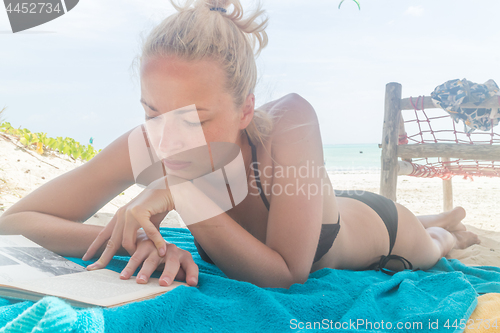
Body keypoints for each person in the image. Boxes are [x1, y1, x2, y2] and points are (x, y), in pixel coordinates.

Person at [0, 0, 480, 290]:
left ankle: (445, 227)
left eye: (197, 118)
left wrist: (183, 191)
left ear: (246, 109)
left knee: (437, 246)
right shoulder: (151, 139)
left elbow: (286, 274)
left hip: (381, 228)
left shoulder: (289, 123)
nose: (168, 137)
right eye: (151, 112)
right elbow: (13, 223)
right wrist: (140, 241)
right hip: (312, 200)